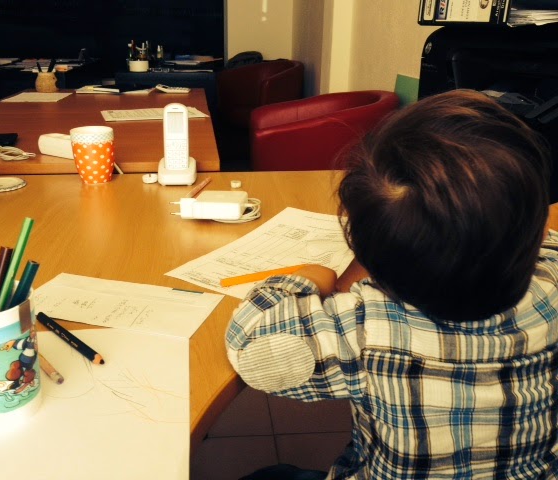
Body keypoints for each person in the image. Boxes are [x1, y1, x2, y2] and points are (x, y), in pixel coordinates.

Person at [226, 89, 558, 479]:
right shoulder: (551, 283)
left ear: (367, 256)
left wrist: (307, 278)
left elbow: (250, 345)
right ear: (536, 231)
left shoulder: (364, 329)